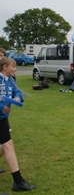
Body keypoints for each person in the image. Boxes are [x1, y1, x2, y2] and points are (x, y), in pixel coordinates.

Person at [0, 57, 35, 191]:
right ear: (4, 67)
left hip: (3, 118)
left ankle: (18, 182)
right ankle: (18, 181)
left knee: (5, 146)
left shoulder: (11, 80)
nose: (15, 69)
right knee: (8, 145)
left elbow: (18, 92)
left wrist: (17, 98)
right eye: (13, 67)